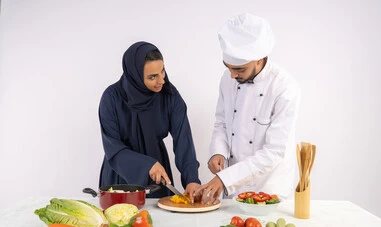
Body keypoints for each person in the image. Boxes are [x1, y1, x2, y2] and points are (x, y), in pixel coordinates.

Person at [195, 13, 300, 204]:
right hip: (233, 188)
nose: (232, 75)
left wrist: (225, 179)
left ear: (260, 59)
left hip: (269, 189)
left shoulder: (284, 87)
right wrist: (218, 151)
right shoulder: (228, 79)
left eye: (239, 69)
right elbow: (221, 122)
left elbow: (274, 151)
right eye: (228, 67)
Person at [98, 41, 201, 198]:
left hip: (158, 178)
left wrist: (191, 179)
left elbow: (183, 140)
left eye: (162, 72)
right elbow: (113, 147)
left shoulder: (169, 96)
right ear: (136, 76)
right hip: (120, 175)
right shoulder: (111, 98)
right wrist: (146, 164)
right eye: (152, 77)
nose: (161, 81)